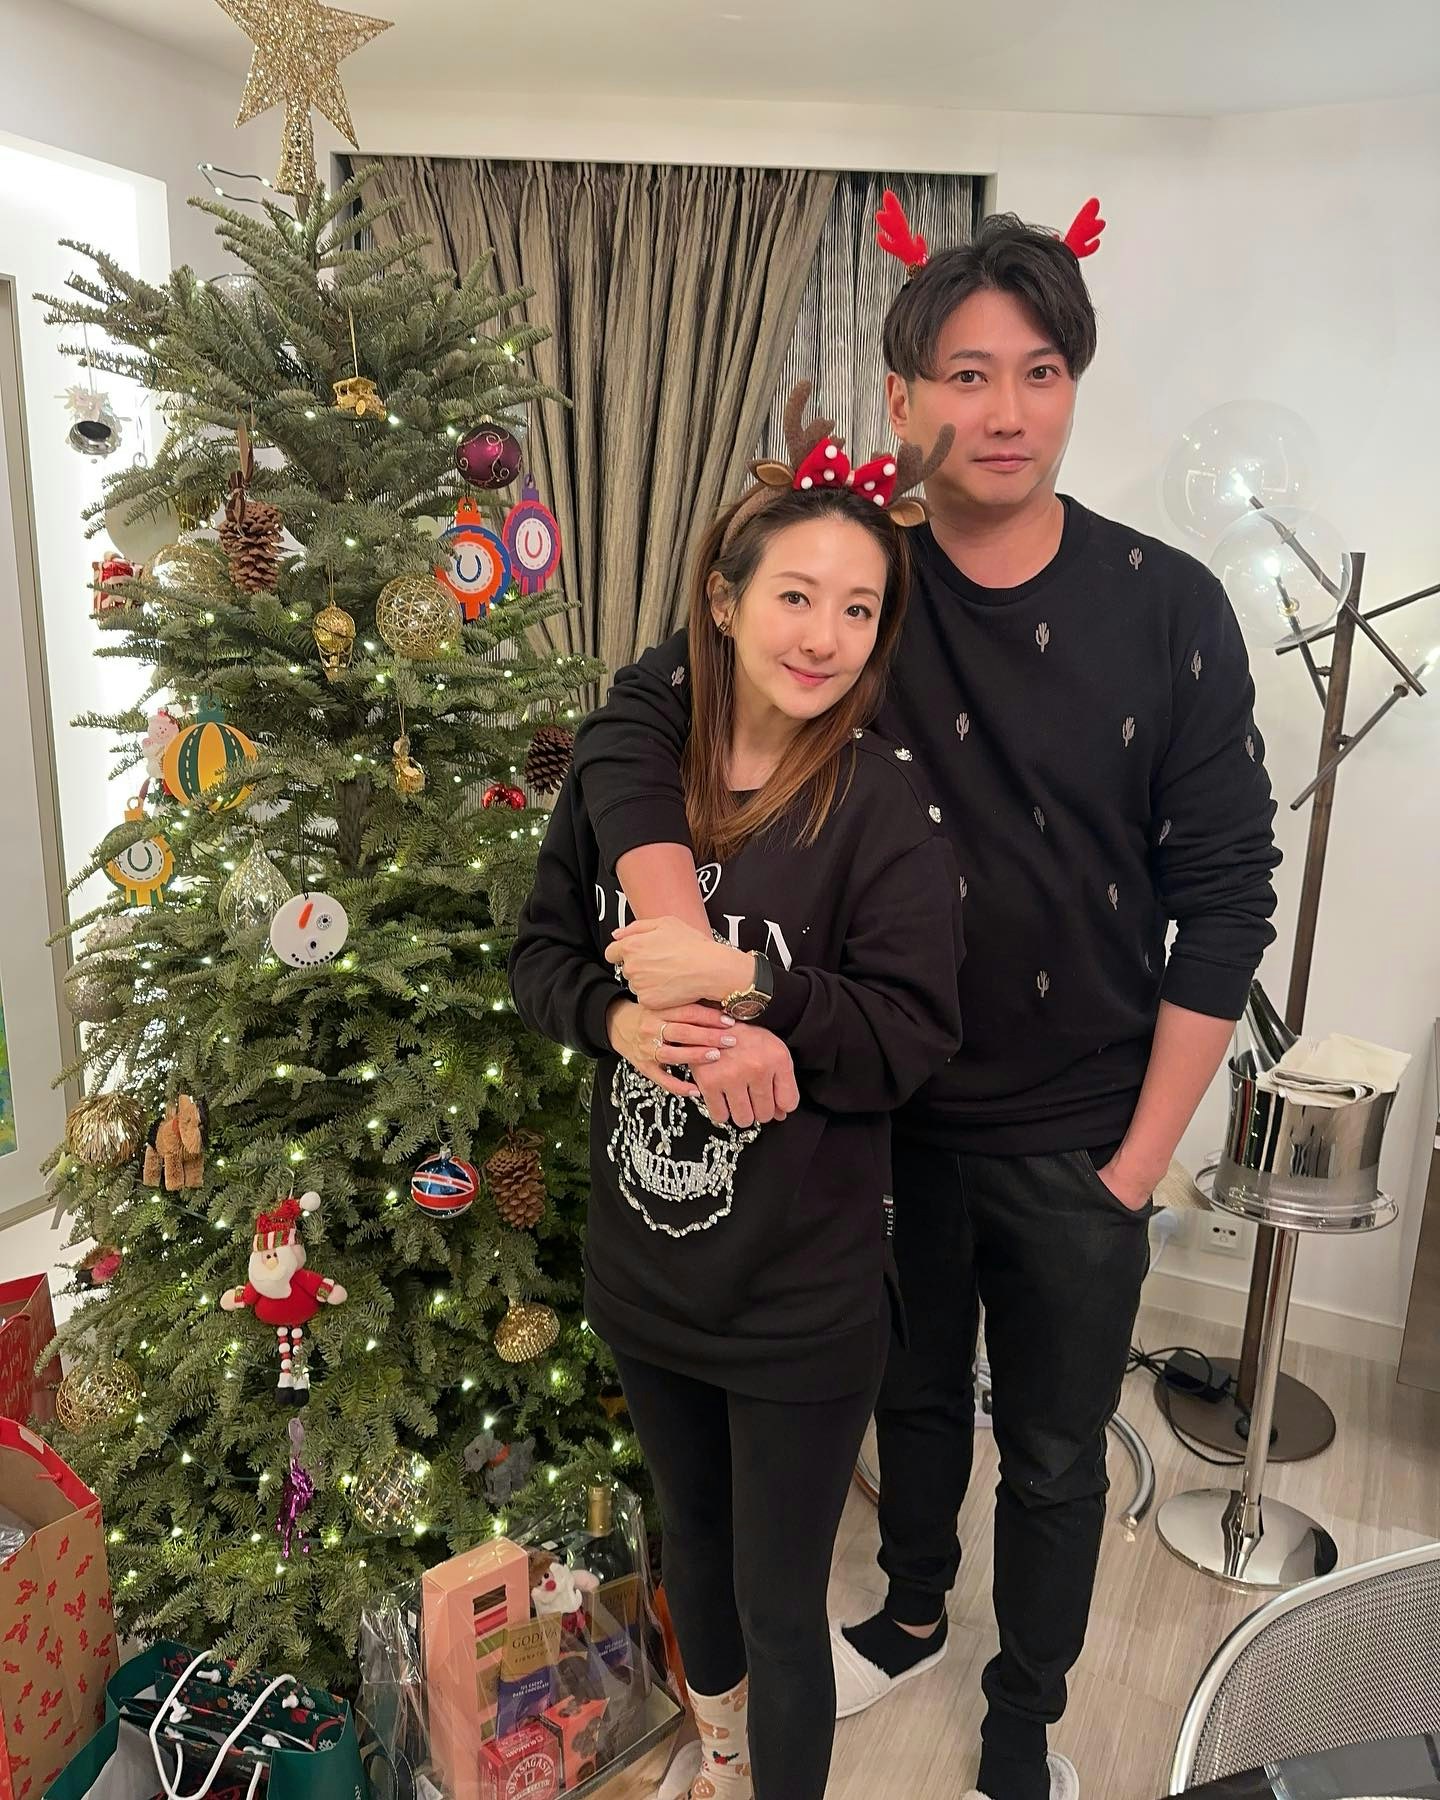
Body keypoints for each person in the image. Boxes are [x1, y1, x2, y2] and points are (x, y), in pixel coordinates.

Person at [566, 198, 1282, 1800]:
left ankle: (1025, 1710)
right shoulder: (851, 582)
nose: (1003, 411)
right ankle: (906, 1610)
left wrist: (1137, 1167)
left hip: (1078, 1126)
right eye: (965, 375)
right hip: (867, 1107)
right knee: (907, 1401)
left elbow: (1230, 894)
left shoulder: (1166, 605)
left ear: (1074, 385)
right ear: (902, 400)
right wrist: (676, 940)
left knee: (1053, 1452)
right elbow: (639, 711)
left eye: (1039, 372)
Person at [508, 384, 964, 1800]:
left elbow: (912, 1036)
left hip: (799, 1301)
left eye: (858, 609)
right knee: (690, 1554)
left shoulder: (882, 809)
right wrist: (619, 1022)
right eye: (795, 597)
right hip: (646, 1271)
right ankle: (716, 1765)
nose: (823, 636)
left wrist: (757, 991)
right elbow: (539, 955)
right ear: (723, 599)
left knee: (780, 1601)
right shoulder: (631, 774)